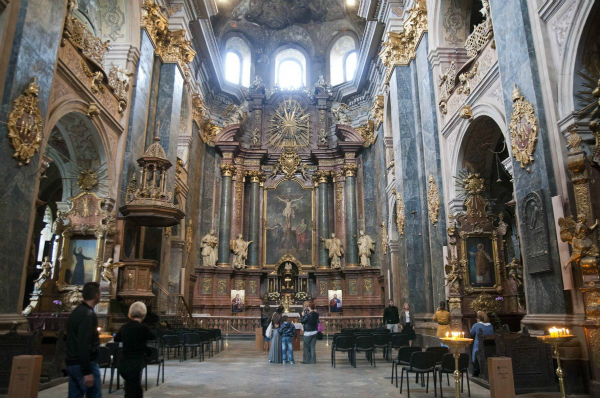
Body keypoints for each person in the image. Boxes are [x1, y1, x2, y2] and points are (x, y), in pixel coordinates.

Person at [66, 282, 101, 398]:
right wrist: (87, 371)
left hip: (72, 363)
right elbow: (83, 343)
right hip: (84, 364)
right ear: (96, 295)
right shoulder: (88, 315)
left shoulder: (76, 312)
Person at [114, 301, 155, 398]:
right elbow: (153, 336)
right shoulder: (143, 328)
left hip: (123, 362)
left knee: (131, 388)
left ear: (130, 313)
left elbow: (116, 338)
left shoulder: (125, 327)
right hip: (136, 362)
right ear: (144, 314)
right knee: (134, 391)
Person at [470, 311, 494, 377]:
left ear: (478, 318)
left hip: (479, 346)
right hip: (490, 346)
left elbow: (471, 333)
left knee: (473, 349)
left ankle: (476, 369)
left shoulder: (476, 325)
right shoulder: (490, 325)